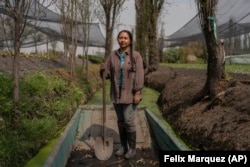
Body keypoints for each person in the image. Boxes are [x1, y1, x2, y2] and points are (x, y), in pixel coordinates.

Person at [100, 30, 144, 159]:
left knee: (128, 120)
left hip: (130, 94)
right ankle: (124, 147)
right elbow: (107, 75)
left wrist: (138, 92)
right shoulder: (112, 56)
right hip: (116, 94)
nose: (123, 40)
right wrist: (102, 70)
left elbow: (140, 75)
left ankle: (132, 149)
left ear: (130, 40)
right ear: (118, 40)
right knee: (120, 121)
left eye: (125, 38)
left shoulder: (136, 56)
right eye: (120, 38)